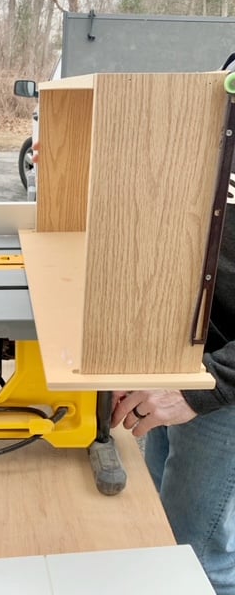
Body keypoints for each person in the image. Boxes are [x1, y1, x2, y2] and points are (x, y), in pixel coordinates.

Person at [111, 58, 235, 595]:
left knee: (197, 555)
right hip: (180, 357)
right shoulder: (224, 81)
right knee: (163, 523)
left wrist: (206, 384)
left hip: (219, 384)